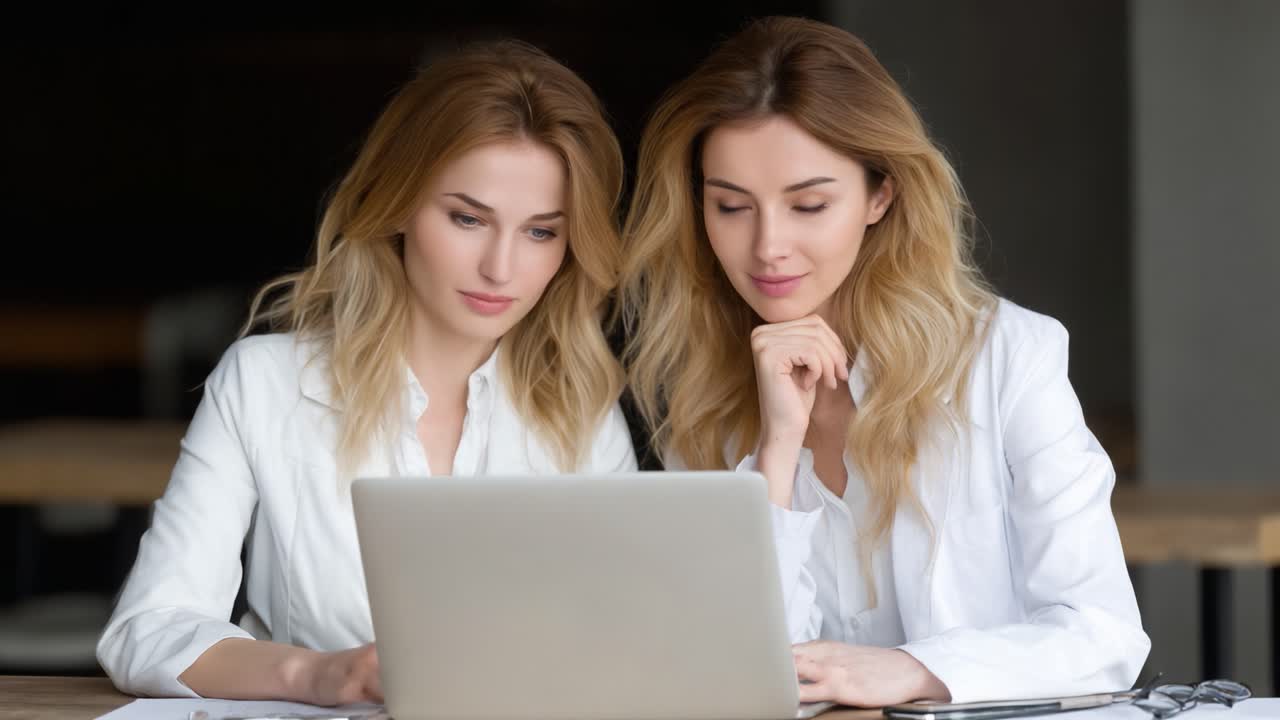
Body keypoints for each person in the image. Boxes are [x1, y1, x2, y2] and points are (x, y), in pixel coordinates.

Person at [620, 16, 1149, 707]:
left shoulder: (1008, 358)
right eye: (731, 206)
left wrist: (910, 670)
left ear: (880, 194)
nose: (768, 246)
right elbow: (735, 674)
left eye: (809, 204)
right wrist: (775, 453)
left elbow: (1103, 635)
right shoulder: (702, 394)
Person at [98, 40, 637, 703]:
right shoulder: (265, 384)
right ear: (399, 202)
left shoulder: (583, 415)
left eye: (540, 232)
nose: (502, 268)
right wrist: (317, 674)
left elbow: (622, 644)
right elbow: (148, 629)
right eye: (468, 218)